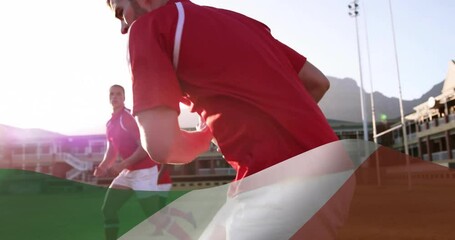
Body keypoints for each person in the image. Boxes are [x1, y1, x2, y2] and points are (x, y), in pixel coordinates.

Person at [104, 1, 354, 239]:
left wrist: (205, 136)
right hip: (331, 170)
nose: (123, 27)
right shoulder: (243, 23)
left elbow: (161, 146)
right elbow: (317, 82)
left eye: (120, 12)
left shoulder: (149, 26)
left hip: (279, 182)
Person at [94, 85, 193, 240]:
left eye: (118, 94)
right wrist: (103, 165)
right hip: (128, 172)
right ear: (108, 98)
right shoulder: (110, 123)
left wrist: (123, 164)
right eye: (112, 94)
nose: (115, 97)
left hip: (144, 171)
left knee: (155, 218)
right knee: (108, 209)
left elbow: (144, 148)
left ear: (124, 97)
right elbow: (112, 149)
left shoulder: (127, 118)